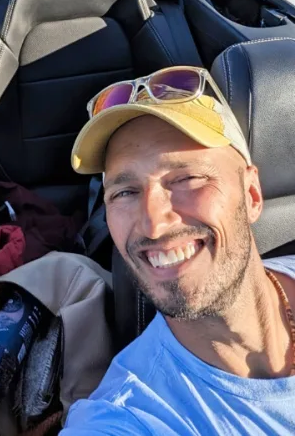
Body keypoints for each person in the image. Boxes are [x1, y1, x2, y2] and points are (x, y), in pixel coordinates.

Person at [62, 65, 295, 435]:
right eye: (125, 192)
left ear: (251, 194)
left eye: (187, 178)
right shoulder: (127, 418)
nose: (154, 223)